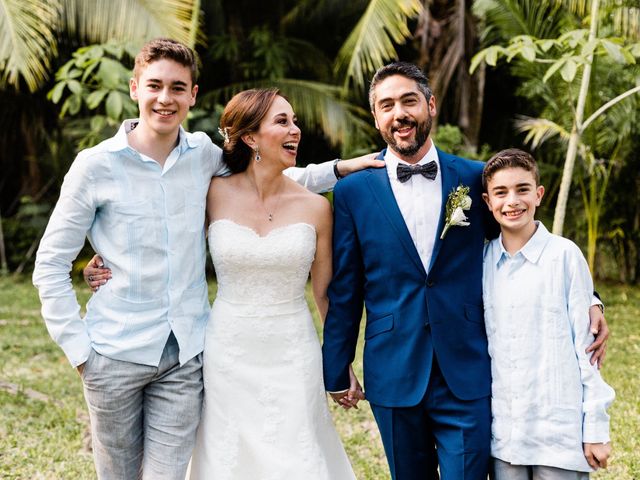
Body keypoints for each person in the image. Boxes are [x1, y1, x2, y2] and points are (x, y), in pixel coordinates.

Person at [32, 38, 378, 480]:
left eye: (178, 87)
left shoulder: (204, 159)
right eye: (155, 85)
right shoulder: (94, 166)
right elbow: (50, 265)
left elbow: (268, 173)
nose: (165, 98)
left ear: (193, 95)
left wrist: (340, 168)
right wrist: (80, 352)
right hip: (114, 352)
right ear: (135, 88)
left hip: (186, 355)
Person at [321, 62, 609, 479]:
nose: (399, 113)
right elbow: (346, 286)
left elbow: (524, 237)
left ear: (430, 105)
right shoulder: (351, 192)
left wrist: (591, 298)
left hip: (468, 369)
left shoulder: (475, 178)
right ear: (376, 117)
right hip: (393, 369)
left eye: (408, 101)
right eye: (387, 105)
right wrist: (336, 365)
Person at [185, 88, 362, 479]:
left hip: (292, 350)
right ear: (250, 137)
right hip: (227, 350)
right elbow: (168, 243)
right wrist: (105, 260)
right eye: (282, 121)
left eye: (294, 121)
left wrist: (339, 361)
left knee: (296, 454)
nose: (295, 129)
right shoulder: (211, 193)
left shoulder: (317, 208)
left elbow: (324, 295)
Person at [481, 148, 614, 479]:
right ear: (487, 201)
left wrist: (595, 427)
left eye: (522, 189)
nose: (512, 201)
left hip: (559, 435)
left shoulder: (565, 256)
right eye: (501, 192)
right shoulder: (481, 262)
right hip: (506, 436)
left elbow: (589, 351)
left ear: (538, 194)